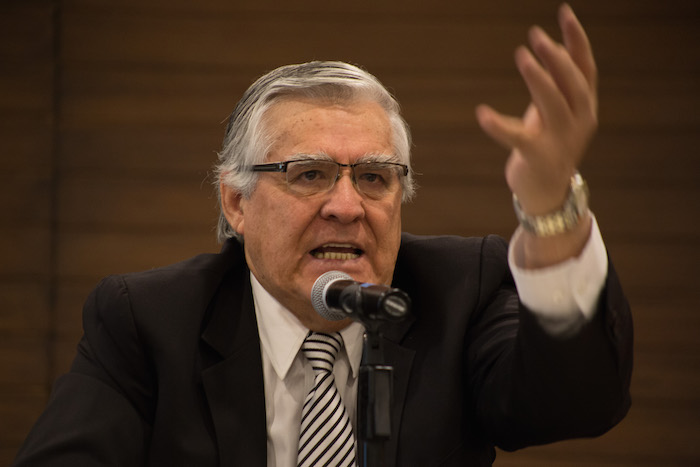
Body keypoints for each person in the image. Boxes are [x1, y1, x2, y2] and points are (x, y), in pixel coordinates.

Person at [14, 4, 632, 466]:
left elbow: (577, 402)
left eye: (373, 177)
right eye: (308, 175)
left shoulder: (458, 293)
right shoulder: (148, 322)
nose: (346, 206)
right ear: (236, 202)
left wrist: (551, 209)